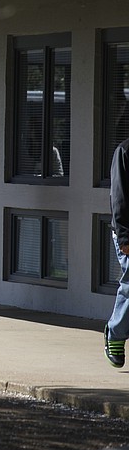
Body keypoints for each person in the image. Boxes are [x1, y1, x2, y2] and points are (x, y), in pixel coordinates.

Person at [106, 136, 129, 368]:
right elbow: (119, 197)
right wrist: (124, 237)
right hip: (127, 232)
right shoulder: (124, 151)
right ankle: (115, 333)